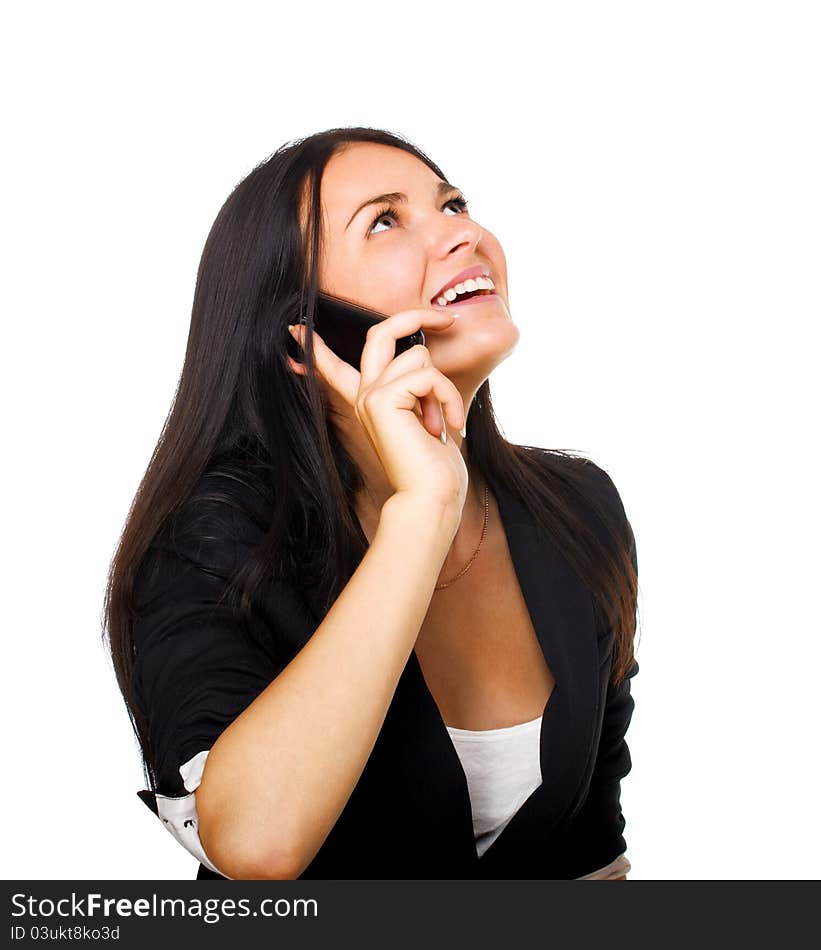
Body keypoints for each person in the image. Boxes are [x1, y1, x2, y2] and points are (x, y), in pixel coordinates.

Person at [104, 127, 640, 880]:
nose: (462, 232)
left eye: (453, 203)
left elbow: (594, 851)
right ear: (305, 337)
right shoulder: (212, 543)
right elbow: (254, 846)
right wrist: (421, 512)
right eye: (386, 220)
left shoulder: (579, 508)